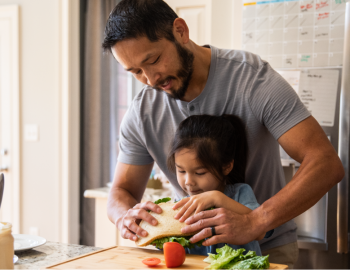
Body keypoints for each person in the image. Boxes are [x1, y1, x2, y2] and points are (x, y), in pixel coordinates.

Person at [102, 0, 344, 269]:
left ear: (181, 31)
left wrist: (255, 221)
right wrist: (125, 216)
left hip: (265, 252)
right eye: (135, 71)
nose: (150, 79)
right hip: (191, 256)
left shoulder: (252, 79)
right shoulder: (142, 111)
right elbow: (121, 191)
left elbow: (325, 163)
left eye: (153, 60)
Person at [167, 114, 273, 256]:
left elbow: (262, 231)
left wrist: (218, 198)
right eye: (181, 171)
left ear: (226, 166)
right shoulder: (182, 205)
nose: (188, 182)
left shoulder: (240, 193)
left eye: (200, 173)